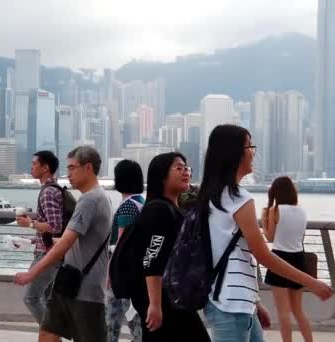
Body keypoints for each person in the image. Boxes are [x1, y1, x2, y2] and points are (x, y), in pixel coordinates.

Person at [199, 124, 333, 342]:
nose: (253, 152)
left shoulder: (214, 196)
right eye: (249, 145)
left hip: (236, 301)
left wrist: (255, 301)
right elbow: (263, 254)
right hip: (231, 304)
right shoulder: (238, 199)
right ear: (234, 153)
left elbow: (238, 255)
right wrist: (312, 282)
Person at [14, 146, 112, 342]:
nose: (68, 174)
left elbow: (65, 241)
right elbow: (73, 241)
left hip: (85, 289)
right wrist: (31, 240)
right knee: (47, 333)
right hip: (68, 284)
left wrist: (32, 273)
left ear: (88, 168)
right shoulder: (94, 197)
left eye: (72, 168)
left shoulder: (91, 200)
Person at [129, 153, 210, 342]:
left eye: (187, 168)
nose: (186, 172)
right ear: (162, 176)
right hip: (163, 301)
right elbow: (151, 257)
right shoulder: (158, 210)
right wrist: (155, 304)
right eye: (178, 168)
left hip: (172, 299)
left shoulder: (171, 209)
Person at [261, 176, 313, 342]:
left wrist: (263, 221)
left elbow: (270, 237)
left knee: (283, 312)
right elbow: (300, 237)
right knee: (298, 310)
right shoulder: (302, 211)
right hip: (299, 258)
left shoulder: (274, 211)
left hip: (280, 259)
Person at [15, 151, 64, 324]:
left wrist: (30, 223)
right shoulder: (53, 189)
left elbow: (54, 226)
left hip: (49, 254)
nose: (31, 166)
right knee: (45, 299)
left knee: (31, 298)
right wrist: (29, 240)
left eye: (35, 163)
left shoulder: (48, 192)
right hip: (51, 250)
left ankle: (52, 335)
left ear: (46, 168)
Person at [106, 159, 144, 342]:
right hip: (134, 272)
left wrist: (110, 272)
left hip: (123, 274)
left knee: (117, 321)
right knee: (131, 320)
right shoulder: (140, 202)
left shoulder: (128, 206)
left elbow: (121, 245)